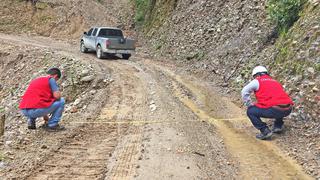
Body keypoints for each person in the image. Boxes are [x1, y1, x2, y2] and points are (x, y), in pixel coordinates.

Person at [241, 66, 293, 140]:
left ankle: (265, 131)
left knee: (250, 111)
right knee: (278, 103)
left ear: (257, 75)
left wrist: (249, 104)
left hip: (275, 110)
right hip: (288, 109)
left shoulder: (257, 81)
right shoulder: (275, 81)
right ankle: (278, 125)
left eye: (255, 76)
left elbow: (244, 91)